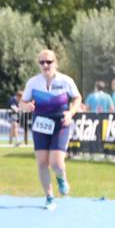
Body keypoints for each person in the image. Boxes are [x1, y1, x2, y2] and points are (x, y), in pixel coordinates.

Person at [19, 49, 81, 211]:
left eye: (49, 62)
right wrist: (27, 106)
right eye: (42, 62)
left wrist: (71, 112)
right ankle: (49, 197)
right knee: (42, 162)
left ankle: (61, 177)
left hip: (61, 123)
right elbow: (22, 103)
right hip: (40, 124)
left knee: (56, 162)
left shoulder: (66, 81)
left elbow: (77, 98)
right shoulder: (33, 82)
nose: (45, 65)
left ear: (56, 63)